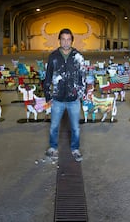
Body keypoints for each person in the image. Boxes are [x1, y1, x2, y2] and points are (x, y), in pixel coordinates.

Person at [43, 28, 86, 162]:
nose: (66, 42)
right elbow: (48, 76)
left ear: (72, 40)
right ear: (59, 40)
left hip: (73, 99)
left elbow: (82, 76)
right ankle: (53, 147)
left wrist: (81, 94)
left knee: (75, 127)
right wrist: (48, 96)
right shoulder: (53, 56)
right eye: (63, 39)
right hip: (57, 99)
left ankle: (75, 148)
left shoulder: (78, 56)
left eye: (68, 39)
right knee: (54, 126)